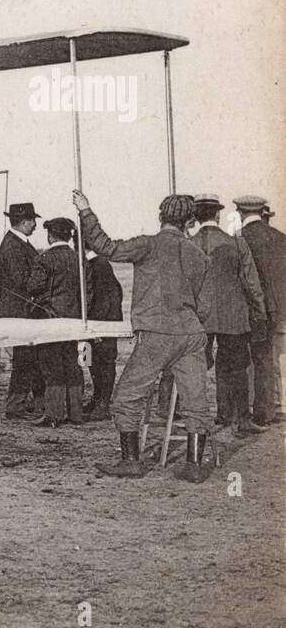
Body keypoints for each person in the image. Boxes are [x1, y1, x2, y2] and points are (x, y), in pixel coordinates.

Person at [74, 191, 211, 481]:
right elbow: (205, 303)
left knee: (126, 397)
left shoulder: (148, 245)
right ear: (189, 222)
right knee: (195, 402)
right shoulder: (199, 254)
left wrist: (86, 211)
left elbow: (105, 246)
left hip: (157, 334)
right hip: (192, 334)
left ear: (160, 216)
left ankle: (131, 461)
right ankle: (195, 465)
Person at [190, 194, 266, 436]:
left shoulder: (188, 244)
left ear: (195, 216)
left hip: (198, 316)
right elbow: (251, 283)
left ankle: (209, 417)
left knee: (192, 367)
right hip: (233, 316)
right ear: (217, 214)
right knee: (235, 366)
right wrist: (259, 312)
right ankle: (241, 418)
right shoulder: (236, 243)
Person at [27, 217, 84, 426]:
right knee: (72, 364)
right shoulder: (78, 259)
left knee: (52, 367)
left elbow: (33, 287)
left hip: (50, 319)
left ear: (50, 235)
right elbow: (87, 291)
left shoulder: (44, 259)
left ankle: (54, 414)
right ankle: (76, 413)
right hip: (74, 319)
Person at [235, 195, 286, 425]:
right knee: (268, 360)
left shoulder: (239, 239)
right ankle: (267, 412)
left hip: (249, 309)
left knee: (244, 362)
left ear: (241, 213)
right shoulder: (280, 238)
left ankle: (244, 412)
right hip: (276, 309)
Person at [0, 202, 44, 419]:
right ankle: (15, 406)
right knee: (25, 358)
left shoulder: (17, 243)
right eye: (33, 220)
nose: (35, 225)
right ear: (24, 222)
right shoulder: (13, 246)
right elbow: (21, 281)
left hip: (20, 308)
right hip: (18, 310)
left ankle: (36, 401)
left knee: (30, 357)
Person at [83, 245, 123, 421]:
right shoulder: (93, 264)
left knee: (105, 363)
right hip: (97, 323)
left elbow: (107, 298)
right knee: (91, 361)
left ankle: (103, 404)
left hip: (103, 324)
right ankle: (98, 398)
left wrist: (97, 327)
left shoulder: (99, 265)